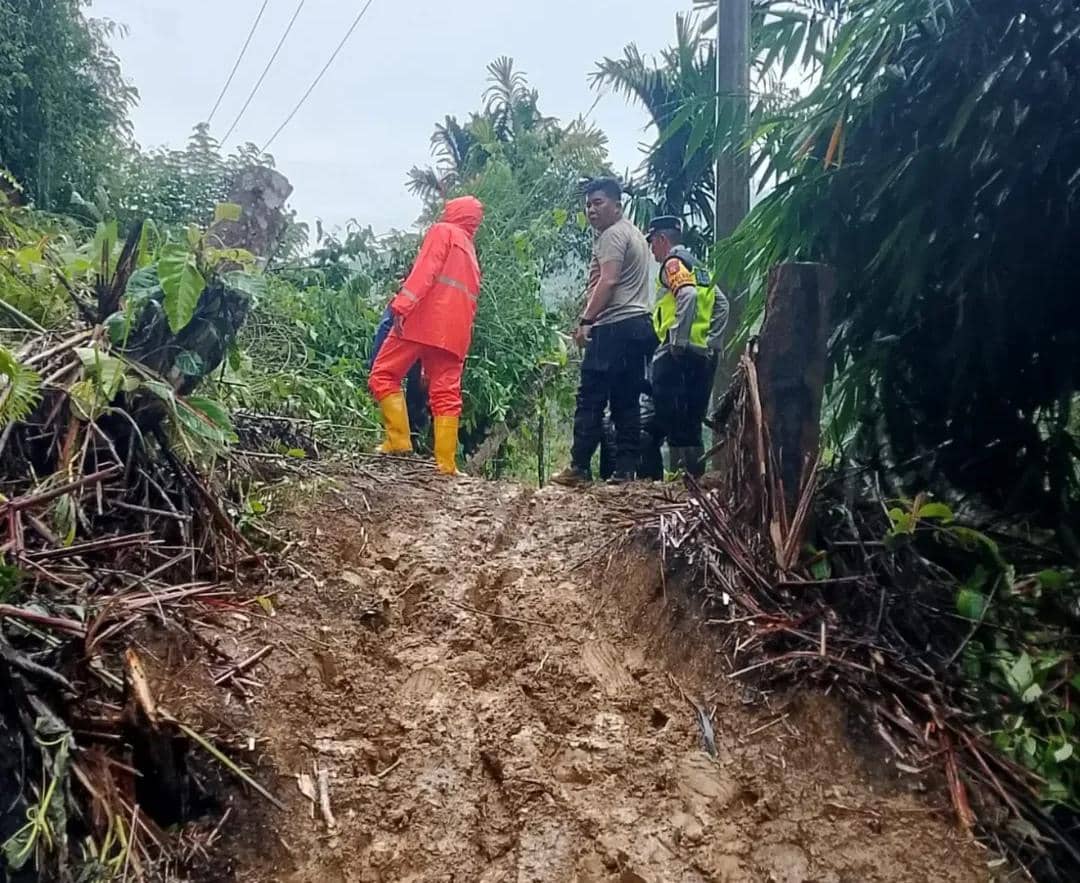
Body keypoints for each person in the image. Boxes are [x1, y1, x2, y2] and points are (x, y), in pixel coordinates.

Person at [368, 196, 484, 474]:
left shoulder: (443, 231)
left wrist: (400, 306)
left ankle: (398, 441)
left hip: (423, 322)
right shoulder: (470, 252)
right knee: (446, 394)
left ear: (454, 212)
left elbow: (425, 272)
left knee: (383, 375)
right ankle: (446, 464)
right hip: (454, 335)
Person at [552, 178, 655, 486]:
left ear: (617, 205)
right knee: (626, 398)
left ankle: (579, 467)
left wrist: (586, 320)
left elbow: (607, 281)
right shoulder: (635, 235)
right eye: (588, 204)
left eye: (598, 203)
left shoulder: (611, 235)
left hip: (614, 326)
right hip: (639, 324)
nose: (591, 210)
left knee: (591, 396)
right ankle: (625, 470)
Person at [641, 215, 728, 477]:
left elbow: (687, 295)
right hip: (702, 357)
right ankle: (694, 482)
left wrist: (677, 342)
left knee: (674, 421)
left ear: (662, 239)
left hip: (677, 358)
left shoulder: (673, 264)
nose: (652, 250)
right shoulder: (700, 268)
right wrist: (712, 342)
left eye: (652, 242)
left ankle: (679, 482)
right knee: (691, 424)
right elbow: (722, 305)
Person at [368, 304, 430, 450]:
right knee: (383, 377)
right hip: (409, 317)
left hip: (421, 320)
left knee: (417, 385)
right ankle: (400, 439)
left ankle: (406, 440)